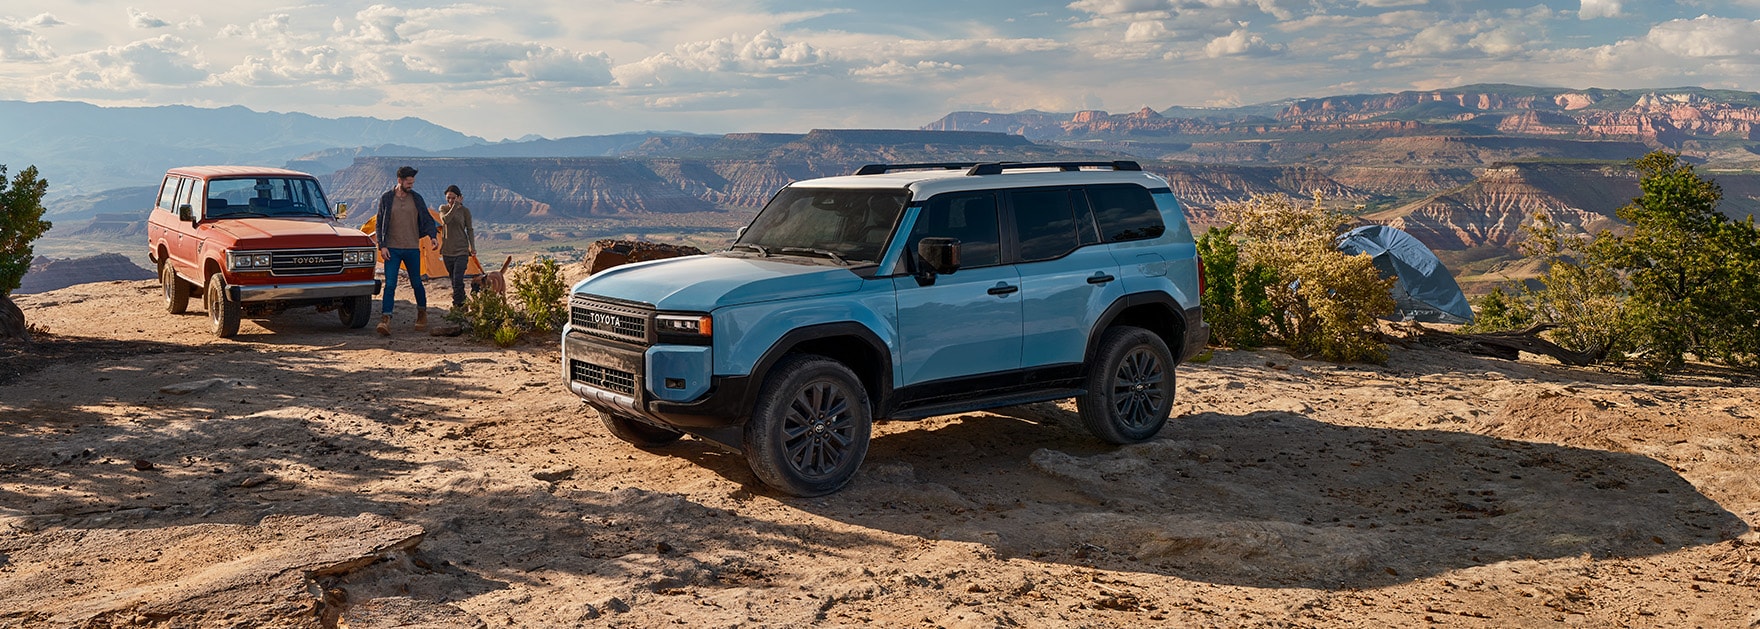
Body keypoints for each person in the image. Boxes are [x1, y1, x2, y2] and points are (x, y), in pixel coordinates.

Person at [374, 165, 439, 336]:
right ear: (399, 180)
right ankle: (385, 319)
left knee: (416, 282)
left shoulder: (416, 198)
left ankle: (422, 313)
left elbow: (427, 218)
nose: (411, 185)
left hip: (411, 248)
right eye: (408, 182)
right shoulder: (387, 198)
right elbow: (379, 223)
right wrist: (382, 245)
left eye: (412, 182)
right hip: (392, 249)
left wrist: (432, 236)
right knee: (390, 285)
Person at [437, 184, 477, 311]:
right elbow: (445, 220)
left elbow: (469, 229)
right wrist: (454, 206)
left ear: (460, 197)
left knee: (458, 279)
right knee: (453, 281)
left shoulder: (465, 211)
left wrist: (472, 246)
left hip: (462, 250)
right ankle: (463, 302)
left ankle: (457, 305)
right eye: (448, 198)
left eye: (453, 198)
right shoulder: (443, 208)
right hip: (448, 251)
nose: (450, 201)